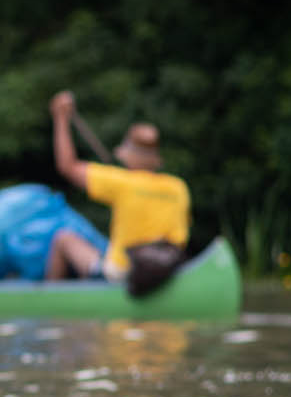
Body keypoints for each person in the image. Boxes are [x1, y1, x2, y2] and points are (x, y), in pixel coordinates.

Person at [46, 90, 190, 281]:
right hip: (167, 269)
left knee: (62, 239)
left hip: (124, 274)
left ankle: (50, 300)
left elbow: (67, 166)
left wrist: (61, 118)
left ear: (128, 156)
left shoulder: (121, 182)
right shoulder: (178, 187)